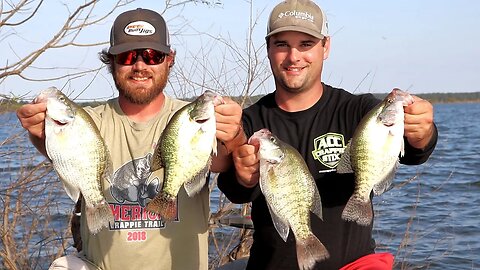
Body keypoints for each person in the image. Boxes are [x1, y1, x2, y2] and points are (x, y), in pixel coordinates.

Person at [16, 8, 244, 270]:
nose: (139, 66)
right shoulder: (88, 122)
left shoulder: (189, 121)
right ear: (111, 61)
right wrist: (39, 133)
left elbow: (224, 164)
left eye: (152, 55)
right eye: (126, 56)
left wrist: (235, 134)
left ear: (169, 59)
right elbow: (58, 149)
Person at [217, 0, 438, 269]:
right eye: (282, 44)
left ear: (326, 47)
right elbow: (236, 191)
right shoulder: (251, 122)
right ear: (268, 49)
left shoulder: (359, 111)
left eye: (306, 44)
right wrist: (242, 175)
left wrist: (421, 134)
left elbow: (414, 152)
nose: (294, 56)